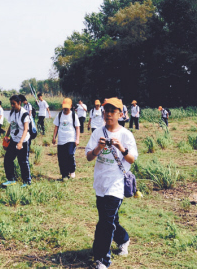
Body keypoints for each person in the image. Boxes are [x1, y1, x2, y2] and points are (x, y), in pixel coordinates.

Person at [85, 98, 138, 269]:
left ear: (120, 114)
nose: (108, 114)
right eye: (106, 111)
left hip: (116, 185)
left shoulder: (126, 135)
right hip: (100, 183)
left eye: (112, 111)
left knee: (105, 222)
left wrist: (121, 148)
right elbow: (88, 157)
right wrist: (98, 148)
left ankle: (102, 260)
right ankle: (123, 239)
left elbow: (132, 159)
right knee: (109, 219)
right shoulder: (97, 133)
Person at [2, 95, 32, 187]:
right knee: (8, 159)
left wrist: (20, 142)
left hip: (23, 140)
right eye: (11, 103)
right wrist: (6, 136)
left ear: (19, 103)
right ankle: (11, 179)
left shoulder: (24, 114)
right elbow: (11, 125)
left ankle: (27, 181)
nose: (12, 105)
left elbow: (26, 129)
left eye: (13, 103)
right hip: (14, 140)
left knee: (22, 161)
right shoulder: (12, 113)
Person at [52, 98, 80, 180]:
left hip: (71, 138)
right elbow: (56, 127)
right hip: (61, 139)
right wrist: (54, 137)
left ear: (71, 106)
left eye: (67, 107)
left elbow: (77, 128)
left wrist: (77, 139)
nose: (65, 109)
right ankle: (64, 174)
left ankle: (72, 170)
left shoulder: (74, 115)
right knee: (61, 157)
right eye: (64, 107)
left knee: (70, 154)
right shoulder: (59, 115)